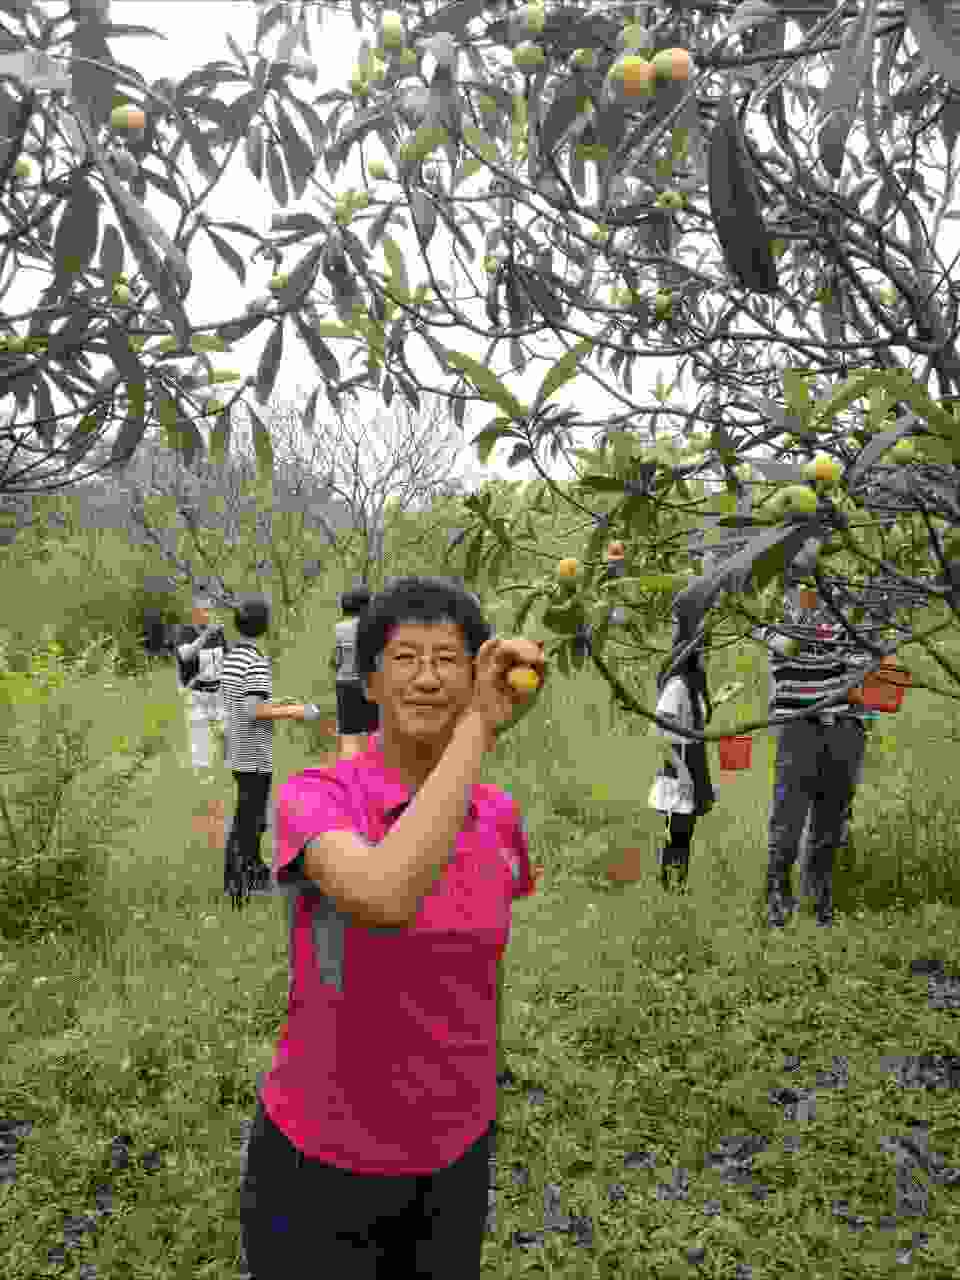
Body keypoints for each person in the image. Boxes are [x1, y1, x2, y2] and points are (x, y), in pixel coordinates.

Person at [239, 576, 547, 1279]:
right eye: (405, 658)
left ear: (473, 676)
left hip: (453, 1161)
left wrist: (480, 1098)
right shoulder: (316, 797)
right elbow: (384, 894)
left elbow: (483, 970)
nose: (427, 678)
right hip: (322, 1162)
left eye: (448, 659)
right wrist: (478, 729)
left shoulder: (497, 815)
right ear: (370, 682)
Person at [757, 549, 874, 928]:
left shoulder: (842, 606)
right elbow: (787, 647)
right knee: (788, 822)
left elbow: (861, 662)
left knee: (830, 822)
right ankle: (777, 904)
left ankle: (818, 906)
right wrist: (812, 616)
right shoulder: (771, 610)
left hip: (844, 725)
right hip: (799, 726)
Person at [220, 593, 323, 908]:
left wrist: (276, 703)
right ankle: (244, 880)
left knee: (249, 814)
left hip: (238, 746)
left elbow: (244, 702)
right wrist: (296, 711)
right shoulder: (255, 661)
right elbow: (253, 710)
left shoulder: (232, 657)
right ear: (264, 625)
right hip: (253, 751)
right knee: (250, 818)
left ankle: (249, 874)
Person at [647, 612, 716, 892]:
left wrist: (717, 701)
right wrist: (682, 771)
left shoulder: (694, 684)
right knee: (677, 833)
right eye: (705, 651)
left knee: (684, 833)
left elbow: (692, 721)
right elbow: (657, 733)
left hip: (694, 760)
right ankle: (670, 887)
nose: (708, 656)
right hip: (681, 762)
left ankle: (677, 887)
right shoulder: (677, 686)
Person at [173, 594, 230, 781]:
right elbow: (185, 655)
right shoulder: (185, 632)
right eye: (204, 610)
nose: (209, 613)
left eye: (210, 609)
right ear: (195, 613)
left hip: (218, 692)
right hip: (195, 694)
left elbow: (226, 658)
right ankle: (204, 779)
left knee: (227, 732)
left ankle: (229, 772)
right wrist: (205, 635)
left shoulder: (218, 633)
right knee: (200, 740)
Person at [331, 584, 379, 760]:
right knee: (374, 732)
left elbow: (336, 661)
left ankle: (349, 772)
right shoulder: (376, 627)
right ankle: (375, 769)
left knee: (349, 735)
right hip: (371, 683)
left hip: (346, 685)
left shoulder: (340, 629)